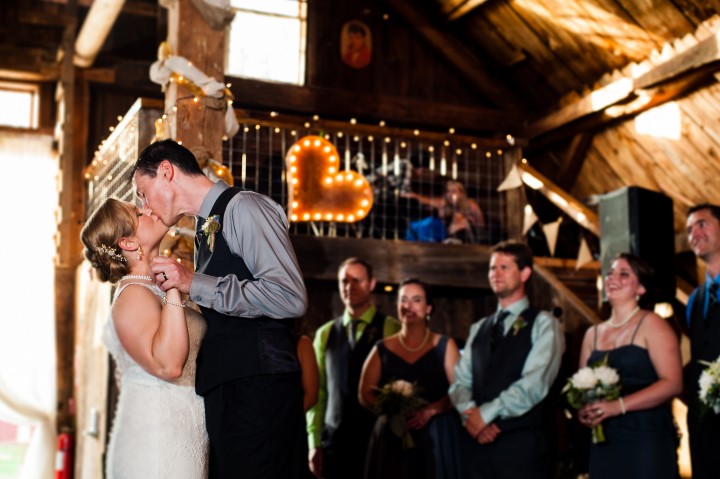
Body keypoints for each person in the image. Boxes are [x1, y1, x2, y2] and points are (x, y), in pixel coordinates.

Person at [131, 139, 308, 478]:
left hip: (258, 385)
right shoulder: (204, 225)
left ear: (166, 171)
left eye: (143, 192)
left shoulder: (246, 208)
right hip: (228, 386)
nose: (146, 205)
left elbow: (290, 296)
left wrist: (193, 282)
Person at [80, 198, 208, 478]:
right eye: (139, 213)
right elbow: (170, 366)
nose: (150, 209)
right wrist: (173, 286)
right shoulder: (133, 296)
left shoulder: (154, 287)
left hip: (184, 428)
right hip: (155, 440)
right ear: (127, 243)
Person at [449, 240, 564, 479]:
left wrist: (487, 414)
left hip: (522, 448)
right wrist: (471, 416)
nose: (496, 274)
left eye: (504, 267)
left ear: (525, 273)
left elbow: (535, 383)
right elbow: (460, 382)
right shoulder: (479, 327)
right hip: (476, 450)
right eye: (492, 268)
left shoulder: (544, 323)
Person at [577, 253, 682, 478]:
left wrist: (619, 406)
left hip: (645, 439)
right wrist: (584, 410)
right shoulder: (591, 334)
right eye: (610, 273)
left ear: (641, 288)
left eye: (624, 274)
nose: (613, 278)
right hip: (604, 441)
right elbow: (582, 389)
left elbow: (673, 384)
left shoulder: (653, 324)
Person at [359, 278, 464, 479]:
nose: (408, 306)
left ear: (429, 308)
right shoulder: (382, 348)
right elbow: (364, 393)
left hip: (437, 435)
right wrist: (391, 411)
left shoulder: (445, 345)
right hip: (392, 438)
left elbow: (460, 390)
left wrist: (433, 410)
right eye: (403, 300)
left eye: (416, 300)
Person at [306, 257, 399, 479]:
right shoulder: (325, 333)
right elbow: (318, 393)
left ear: (372, 284)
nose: (349, 287)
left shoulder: (390, 327)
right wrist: (314, 442)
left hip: (375, 440)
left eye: (357, 280)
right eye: (344, 281)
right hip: (333, 442)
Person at [685, 203, 720, 479]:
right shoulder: (694, 300)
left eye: (701, 224)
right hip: (704, 424)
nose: (694, 234)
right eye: (688, 230)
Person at [403, 180, 485, 243]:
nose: (450, 194)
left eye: (454, 191)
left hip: (468, 238)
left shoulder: (471, 205)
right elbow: (426, 200)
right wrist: (411, 195)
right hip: (446, 238)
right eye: (448, 191)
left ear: (461, 193)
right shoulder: (444, 204)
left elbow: (481, 224)